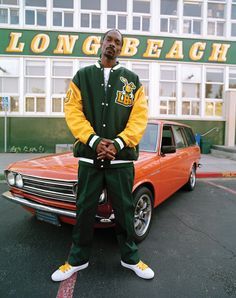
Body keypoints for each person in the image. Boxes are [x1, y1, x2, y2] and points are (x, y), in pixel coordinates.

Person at [51, 29, 154, 281]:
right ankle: (77, 259)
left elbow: (139, 118)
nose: (113, 45)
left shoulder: (132, 81)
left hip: (120, 161)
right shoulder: (82, 76)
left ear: (121, 48)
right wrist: (94, 140)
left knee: (124, 210)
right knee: (84, 207)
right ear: (101, 43)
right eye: (109, 40)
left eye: (118, 42)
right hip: (89, 158)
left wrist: (118, 143)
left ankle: (130, 257)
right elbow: (73, 112)